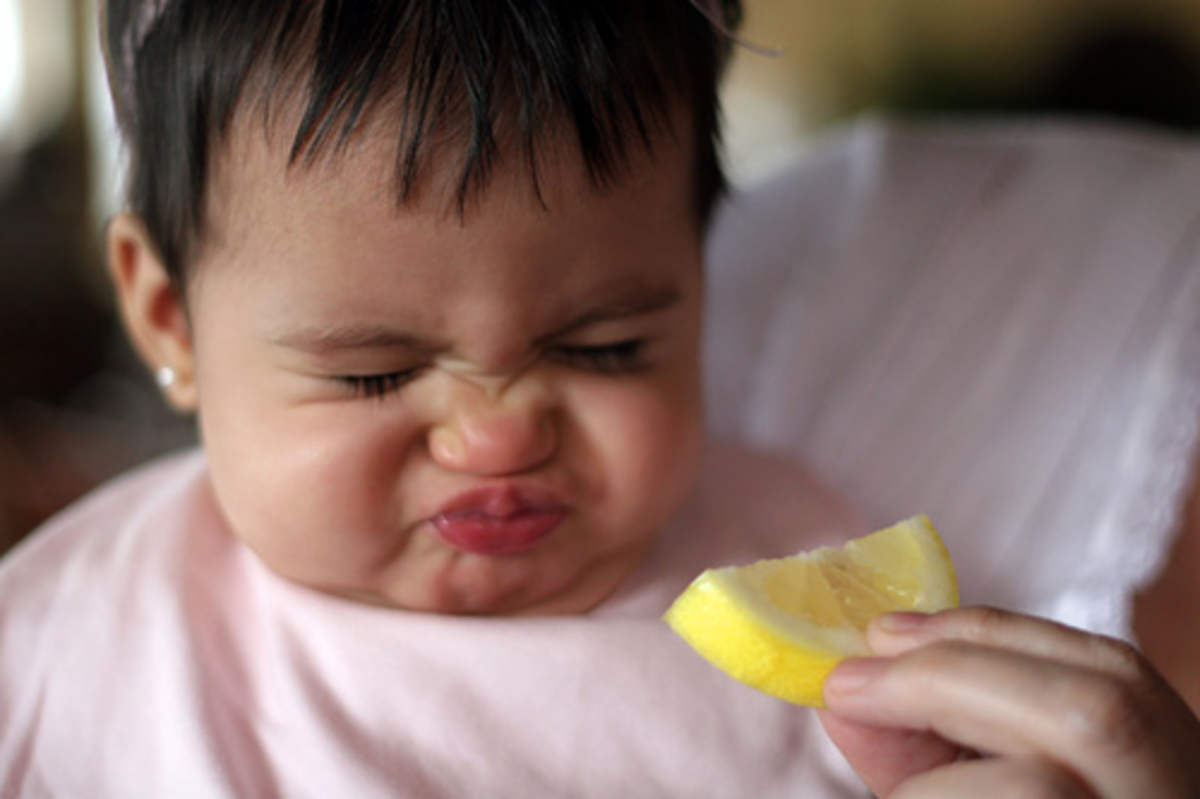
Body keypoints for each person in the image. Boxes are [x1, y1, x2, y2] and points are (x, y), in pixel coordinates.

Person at [0, 1, 1195, 796]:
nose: (501, 429)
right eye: (374, 371)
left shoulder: (802, 583)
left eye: (611, 344)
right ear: (169, 319)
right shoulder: (65, 653)